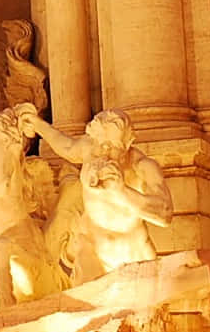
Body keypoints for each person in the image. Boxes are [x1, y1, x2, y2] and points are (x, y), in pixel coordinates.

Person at [18, 105, 173, 283]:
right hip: (91, 244)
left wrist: (121, 191)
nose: (103, 152)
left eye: (110, 147)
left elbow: (165, 213)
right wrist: (37, 124)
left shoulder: (142, 167)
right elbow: (65, 146)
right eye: (99, 145)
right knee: (88, 300)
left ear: (127, 145)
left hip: (133, 248)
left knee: (150, 303)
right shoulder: (90, 149)